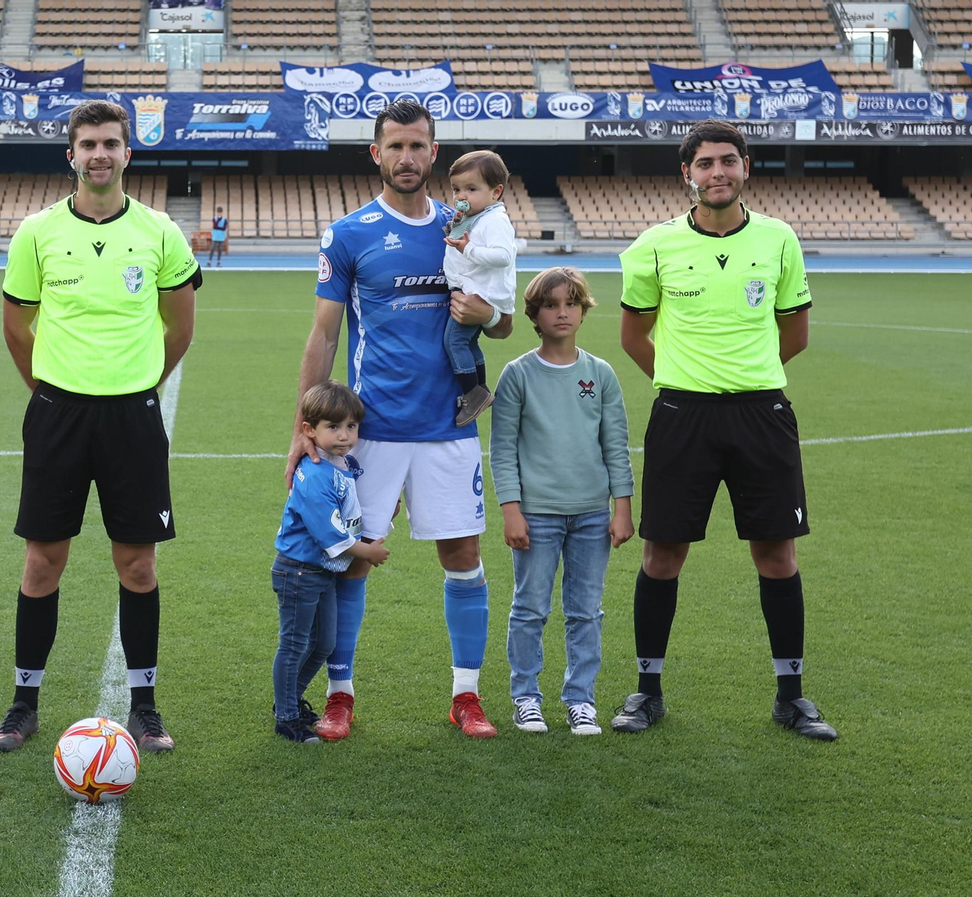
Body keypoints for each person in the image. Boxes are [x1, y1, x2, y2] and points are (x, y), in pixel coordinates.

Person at [292, 99, 512, 742]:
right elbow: (324, 338)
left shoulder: (463, 223)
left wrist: (488, 320)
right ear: (377, 154)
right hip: (372, 432)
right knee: (352, 561)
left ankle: (465, 697)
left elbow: (500, 322)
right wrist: (303, 433)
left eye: (419, 146)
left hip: (449, 427)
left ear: (434, 153)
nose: (408, 157)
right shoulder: (349, 233)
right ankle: (340, 695)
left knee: (463, 556)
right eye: (396, 146)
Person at [0, 100, 199, 754]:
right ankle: (24, 703)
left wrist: (137, 385)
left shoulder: (161, 231)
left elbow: (180, 325)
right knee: (43, 560)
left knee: (136, 563)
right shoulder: (37, 232)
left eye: (111, 143)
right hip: (57, 412)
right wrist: (50, 390)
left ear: (128, 153)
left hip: (132, 415)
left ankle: (146, 705)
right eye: (88, 144)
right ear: (71, 155)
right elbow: (16, 326)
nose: (100, 154)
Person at [615, 119, 835, 741]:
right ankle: (647, 690)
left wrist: (747, 378)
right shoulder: (653, 245)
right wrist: (687, 380)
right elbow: (634, 337)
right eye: (705, 163)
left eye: (728, 161)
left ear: (746, 168)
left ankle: (791, 696)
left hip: (761, 413)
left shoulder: (778, 238)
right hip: (682, 414)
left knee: (777, 553)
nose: (718, 172)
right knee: (663, 554)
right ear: (687, 174)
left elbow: (795, 332)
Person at [490, 267, 634, 736]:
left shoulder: (600, 374)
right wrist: (511, 509)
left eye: (571, 303)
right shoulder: (517, 375)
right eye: (551, 305)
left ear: (583, 309)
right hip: (536, 515)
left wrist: (622, 507)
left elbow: (616, 445)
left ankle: (580, 700)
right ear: (534, 314)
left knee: (586, 610)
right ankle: (526, 697)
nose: (562, 312)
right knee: (530, 608)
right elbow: (503, 449)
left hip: (592, 515)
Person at [271, 382, 389, 743]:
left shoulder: (340, 464)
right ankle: (287, 715)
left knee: (323, 644)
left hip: (318, 572)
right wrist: (366, 551)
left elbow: (348, 506)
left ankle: (288, 702)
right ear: (309, 430)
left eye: (351, 427)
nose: (344, 436)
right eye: (333, 427)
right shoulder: (316, 474)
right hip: (298, 571)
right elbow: (328, 532)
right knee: (294, 645)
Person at [442, 150, 518, 426]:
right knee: (469, 342)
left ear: (496, 192)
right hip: (472, 290)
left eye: (471, 189)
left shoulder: (495, 220)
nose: (461, 196)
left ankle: (472, 393)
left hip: (479, 295)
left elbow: (503, 256)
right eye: (457, 189)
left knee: (454, 341)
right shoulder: (476, 215)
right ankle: (481, 388)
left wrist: (468, 248)